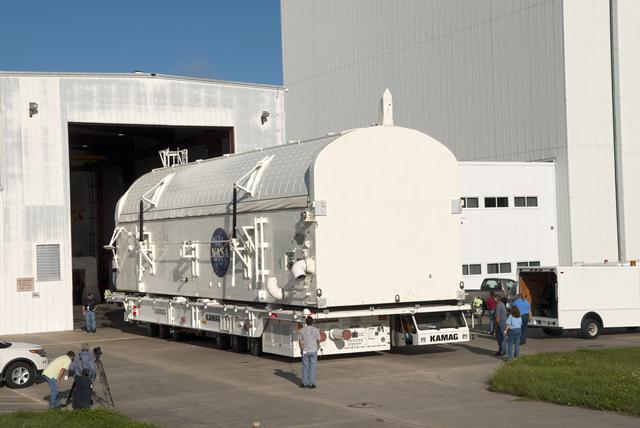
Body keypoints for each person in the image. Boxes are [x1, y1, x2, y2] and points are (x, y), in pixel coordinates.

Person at [298, 316, 321, 389]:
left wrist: (301, 349)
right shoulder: (316, 330)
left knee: (305, 367)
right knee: (312, 367)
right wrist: (318, 345)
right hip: (313, 351)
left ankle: (304, 383)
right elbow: (319, 340)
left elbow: (300, 341)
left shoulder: (301, 330)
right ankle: (311, 384)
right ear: (312, 322)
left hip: (305, 350)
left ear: (306, 322)